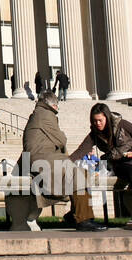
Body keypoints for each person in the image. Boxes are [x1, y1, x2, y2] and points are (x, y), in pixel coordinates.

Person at [72, 103, 132, 230]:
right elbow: (81, 151)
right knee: (131, 173)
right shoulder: (94, 134)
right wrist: (65, 162)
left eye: (100, 120)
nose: (97, 123)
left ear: (107, 117)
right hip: (120, 163)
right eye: (94, 121)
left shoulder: (122, 124)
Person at [18, 90, 104, 231]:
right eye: (57, 105)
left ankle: (76, 214)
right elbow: (61, 140)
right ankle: (83, 220)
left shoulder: (38, 113)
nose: (58, 108)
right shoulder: (46, 114)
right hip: (42, 160)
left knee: (82, 174)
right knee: (77, 173)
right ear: (53, 105)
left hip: (42, 159)